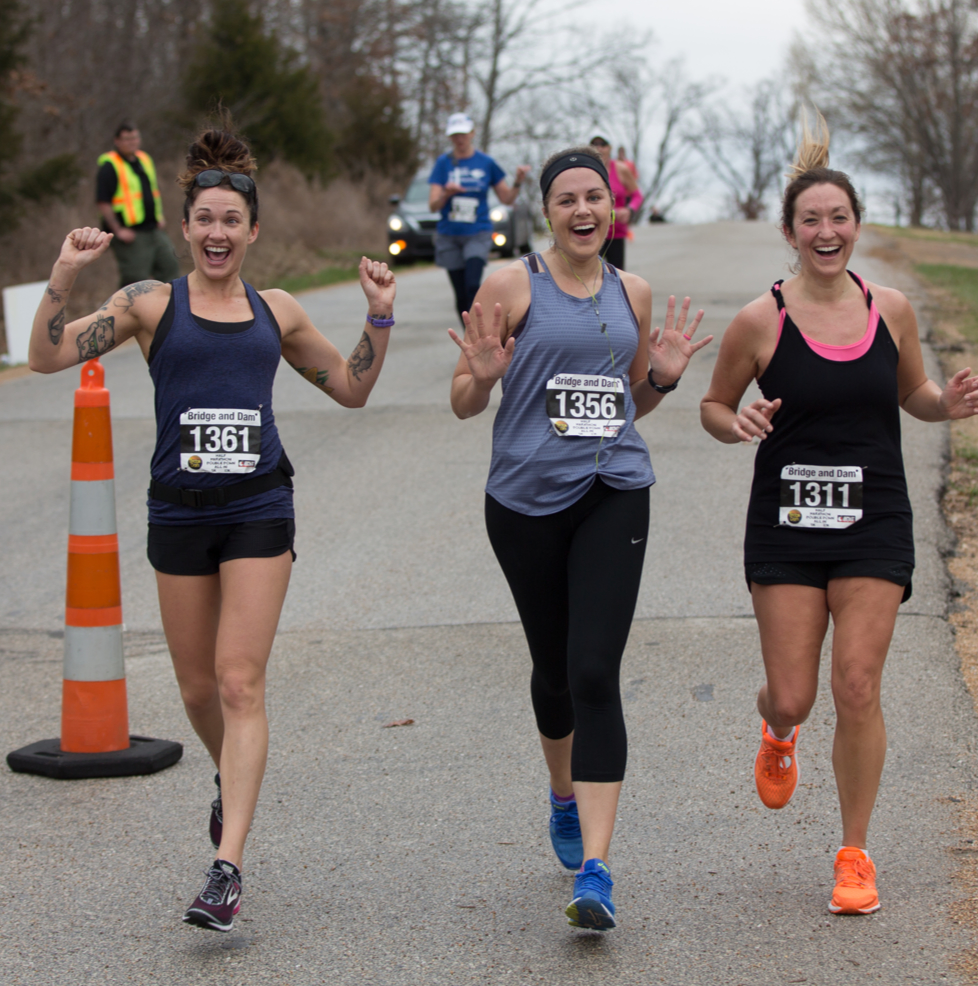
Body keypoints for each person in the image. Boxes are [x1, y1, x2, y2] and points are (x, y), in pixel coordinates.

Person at [30, 126, 397, 933]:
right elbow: (49, 356)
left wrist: (379, 317)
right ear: (186, 227)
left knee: (238, 683)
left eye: (233, 220)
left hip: (258, 510)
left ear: (253, 230)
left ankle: (227, 867)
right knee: (198, 691)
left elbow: (351, 388)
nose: (218, 232)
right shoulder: (149, 304)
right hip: (178, 512)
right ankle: (232, 779)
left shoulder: (277, 311)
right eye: (206, 219)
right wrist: (63, 275)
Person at [699, 113, 978, 915]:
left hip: (874, 519)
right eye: (811, 221)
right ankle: (778, 730)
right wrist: (737, 421)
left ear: (857, 225)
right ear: (789, 233)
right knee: (794, 695)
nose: (826, 232)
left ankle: (855, 855)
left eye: (839, 218)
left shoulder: (890, 309)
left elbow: (914, 393)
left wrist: (947, 404)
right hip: (787, 526)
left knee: (857, 684)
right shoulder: (760, 320)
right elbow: (714, 406)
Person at [448, 145, 711, 930]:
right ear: (547, 213)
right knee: (554, 670)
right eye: (567, 199)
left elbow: (629, 402)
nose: (583, 210)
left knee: (594, 670)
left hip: (614, 490)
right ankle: (562, 794)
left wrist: (660, 378)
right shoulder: (510, 286)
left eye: (594, 196)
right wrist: (482, 376)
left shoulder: (634, 291)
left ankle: (595, 869)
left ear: (613, 207)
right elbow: (464, 399)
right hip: (525, 501)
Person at [429, 112, 529, 320]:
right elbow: (432, 205)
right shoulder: (443, 163)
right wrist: (446, 194)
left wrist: (518, 181)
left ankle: (480, 329)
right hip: (450, 235)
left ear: (472, 133)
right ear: (450, 137)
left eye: (463, 134)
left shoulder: (486, 162)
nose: (459, 139)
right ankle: (469, 335)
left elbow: (506, 199)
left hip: (477, 232)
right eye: (455, 135)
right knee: (460, 293)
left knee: (472, 285)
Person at [96, 121, 179, 286]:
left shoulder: (144, 159)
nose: (132, 142)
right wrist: (118, 230)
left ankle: (172, 302)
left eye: (134, 138)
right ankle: (125, 304)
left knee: (170, 267)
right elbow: (103, 202)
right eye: (127, 139)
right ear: (117, 141)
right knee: (135, 278)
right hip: (131, 234)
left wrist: (159, 217)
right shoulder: (110, 166)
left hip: (154, 229)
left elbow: (152, 191)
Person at [589, 136, 642, 270]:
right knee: (592, 275)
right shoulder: (585, 171)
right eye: (594, 144)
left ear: (610, 148)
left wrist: (629, 210)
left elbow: (637, 195)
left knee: (616, 275)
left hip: (615, 232)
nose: (599, 148)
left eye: (603, 144)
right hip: (592, 231)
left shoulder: (621, 169)